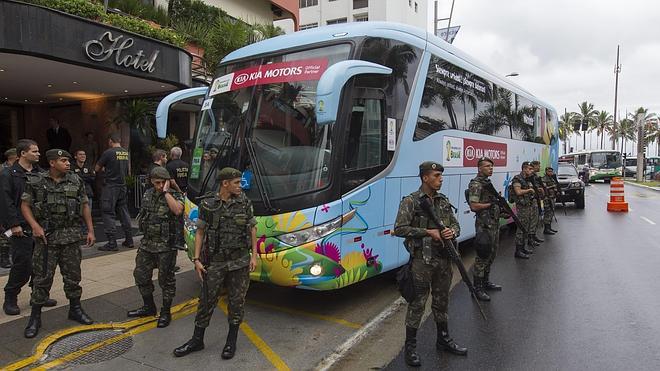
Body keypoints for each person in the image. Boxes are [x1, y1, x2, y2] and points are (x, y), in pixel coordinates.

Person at [173, 167, 258, 360]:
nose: (240, 186)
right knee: (206, 300)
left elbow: (252, 228)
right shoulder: (208, 204)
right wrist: (196, 259)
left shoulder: (244, 202)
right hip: (216, 262)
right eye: (236, 182)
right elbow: (200, 232)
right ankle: (197, 340)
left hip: (240, 261)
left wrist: (254, 255)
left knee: (237, 302)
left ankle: (231, 341)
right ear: (225, 183)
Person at [393, 161, 467, 367]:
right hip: (422, 262)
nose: (440, 179)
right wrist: (427, 232)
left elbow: (456, 224)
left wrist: (451, 231)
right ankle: (411, 347)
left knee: (442, 301)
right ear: (425, 178)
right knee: (417, 304)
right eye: (436, 175)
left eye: (441, 175)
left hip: (444, 260)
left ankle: (443, 339)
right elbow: (399, 228)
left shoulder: (443, 201)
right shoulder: (411, 201)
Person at [21, 149, 96, 338]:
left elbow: (84, 204)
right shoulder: (37, 181)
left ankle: (75, 309)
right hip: (46, 239)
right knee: (41, 279)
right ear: (52, 163)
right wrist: (35, 226)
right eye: (63, 160)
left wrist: (90, 230)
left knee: (73, 276)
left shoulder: (75, 180)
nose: (68, 163)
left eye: (68, 160)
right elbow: (25, 206)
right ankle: (35, 317)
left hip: (70, 237)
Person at [1, 140, 57, 315]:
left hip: (41, 226)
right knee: (23, 264)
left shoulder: (41, 173)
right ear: (22, 153)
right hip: (21, 228)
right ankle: (10, 297)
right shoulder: (9, 174)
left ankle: (38, 294)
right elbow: (5, 201)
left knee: (41, 264)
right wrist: (13, 224)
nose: (39, 154)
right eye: (35, 151)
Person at [127, 167, 184, 328]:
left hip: (166, 245)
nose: (159, 186)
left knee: (166, 280)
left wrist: (166, 193)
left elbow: (178, 210)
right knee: (140, 275)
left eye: (162, 182)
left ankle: (166, 311)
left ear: (167, 181)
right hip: (147, 244)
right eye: (156, 183)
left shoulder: (175, 195)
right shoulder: (148, 194)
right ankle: (148, 307)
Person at [467, 157, 502, 302]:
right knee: (482, 257)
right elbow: (474, 206)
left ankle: (486, 282)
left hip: (493, 224)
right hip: (484, 227)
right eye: (487, 166)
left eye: (491, 166)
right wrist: (490, 204)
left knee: (491, 255)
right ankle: (477, 288)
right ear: (479, 168)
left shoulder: (487, 182)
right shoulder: (476, 184)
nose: (490, 168)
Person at [96, 133, 134, 251]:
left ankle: (112, 242)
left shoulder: (108, 152)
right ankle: (129, 239)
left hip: (111, 187)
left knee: (108, 213)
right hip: (122, 186)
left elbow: (97, 168)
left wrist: (105, 169)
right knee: (123, 211)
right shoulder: (125, 152)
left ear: (111, 141)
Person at [510, 162, 536, 259]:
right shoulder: (517, 179)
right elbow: (518, 191)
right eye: (529, 169)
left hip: (528, 205)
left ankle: (523, 247)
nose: (531, 171)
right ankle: (518, 250)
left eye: (532, 169)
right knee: (521, 228)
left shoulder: (527, 179)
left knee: (526, 227)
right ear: (524, 169)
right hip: (522, 207)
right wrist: (529, 190)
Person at [1, 148, 18, 269]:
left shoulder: (16, 170)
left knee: (7, 233)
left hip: (12, 206)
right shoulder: (3, 170)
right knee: (4, 234)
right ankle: (4, 257)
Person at [529, 161, 545, 245]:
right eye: (538, 166)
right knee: (532, 220)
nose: (539, 167)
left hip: (537, 198)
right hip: (532, 200)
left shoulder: (535, 176)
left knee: (536, 219)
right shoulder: (530, 177)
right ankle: (530, 238)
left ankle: (533, 236)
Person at [541, 167, 558, 235]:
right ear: (546, 171)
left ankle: (549, 227)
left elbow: (555, 186)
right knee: (547, 213)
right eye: (549, 171)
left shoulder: (552, 178)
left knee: (551, 213)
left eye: (551, 171)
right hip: (547, 198)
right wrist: (552, 187)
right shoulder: (544, 179)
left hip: (552, 198)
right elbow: (544, 188)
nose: (550, 172)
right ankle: (546, 229)